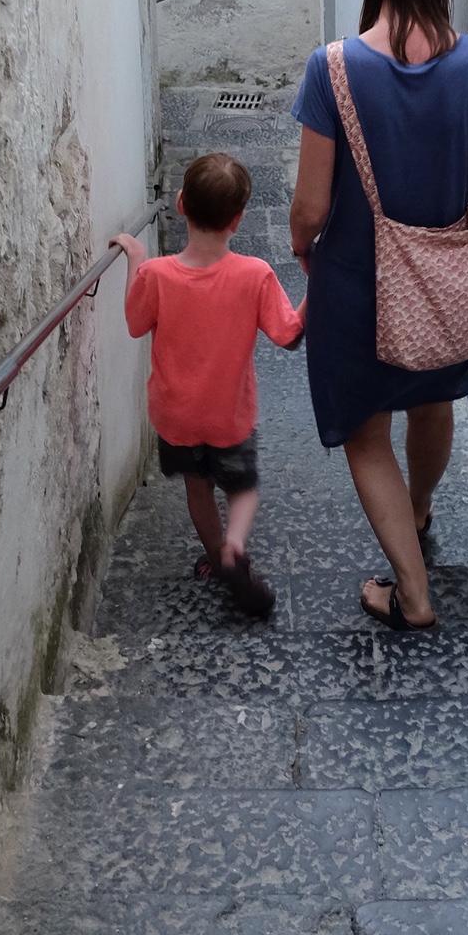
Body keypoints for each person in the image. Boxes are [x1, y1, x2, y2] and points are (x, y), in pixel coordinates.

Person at [289, 0, 468, 630]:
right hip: (441, 284)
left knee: (365, 432)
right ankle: (417, 513)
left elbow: (312, 208)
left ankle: (412, 595)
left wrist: (302, 249)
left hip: (356, 285)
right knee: (433, 400)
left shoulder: (332, 71)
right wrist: (465, 245)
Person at [111, 151, 305, 620]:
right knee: (242, 490)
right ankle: (234, 547)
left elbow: (136, 324)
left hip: (176, 416)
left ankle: (213, 551)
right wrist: (316, 285)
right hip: (228, 416)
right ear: (238, 220)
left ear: (179, 204)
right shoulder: (255, 275)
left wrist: (136, 258)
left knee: (197, 488)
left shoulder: (156, 275)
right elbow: (288, 334)